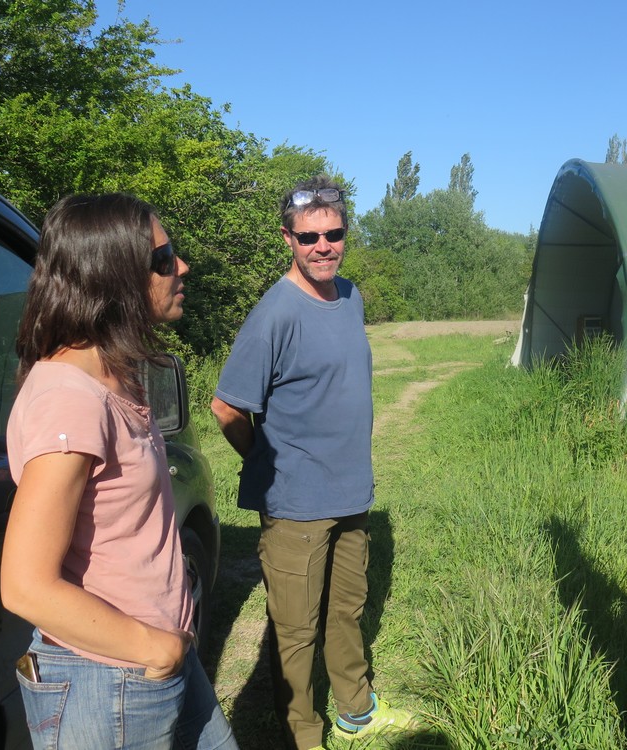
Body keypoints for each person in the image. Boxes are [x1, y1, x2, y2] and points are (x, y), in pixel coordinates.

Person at [1, 193, 238, 750]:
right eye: (163, 258)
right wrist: (154, 648)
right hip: (109, 678)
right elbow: (24, 584)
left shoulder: (112, 377)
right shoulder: (71, 400)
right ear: (114, 277)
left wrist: (169, 642)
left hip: (156, 657)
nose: (182, 267)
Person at [210, 176, 413, 750]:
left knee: (347, 609)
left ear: (346, 234)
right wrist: (272, 464)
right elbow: (226, 406)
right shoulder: (276, 312)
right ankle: (303, 735)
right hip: (297, 504)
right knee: (296, 632)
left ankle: (355, 709)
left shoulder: (351, 297)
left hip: (351, 495)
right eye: (309, 237)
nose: (322, 246)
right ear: (288, 239)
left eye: (334, 234)